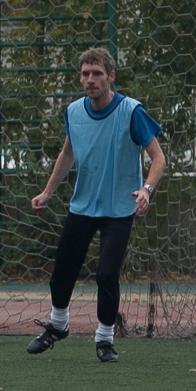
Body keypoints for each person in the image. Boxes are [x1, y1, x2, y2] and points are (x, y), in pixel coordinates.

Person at [28, 46, 165, 363]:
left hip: (119, 210)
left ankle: (104, 339)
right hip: (83, 207)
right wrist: (48, 192)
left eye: (97, 74)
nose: (90, 79)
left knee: (106, 275)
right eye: (85, 74)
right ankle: (58, 325)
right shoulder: (74, 112)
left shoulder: (131, 111)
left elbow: (158, 158)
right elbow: (68, 153)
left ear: (110, 76)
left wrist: (146, 190)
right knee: (62, 271)